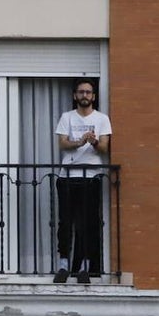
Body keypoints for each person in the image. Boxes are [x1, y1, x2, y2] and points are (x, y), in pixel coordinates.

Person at [53, 77, 112, 284]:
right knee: (65, 223)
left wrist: (93, 141)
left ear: (93, 96)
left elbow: (104, 148)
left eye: (88, 92)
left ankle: (84, 267)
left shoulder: (102, 119)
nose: (84, 95)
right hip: (67, 177)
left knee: (87, 223)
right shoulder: (67, 117)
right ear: (75, 95)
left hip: (91, 177)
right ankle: (63, 265)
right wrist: (80, 142)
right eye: (81, 92)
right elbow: (62, 143)